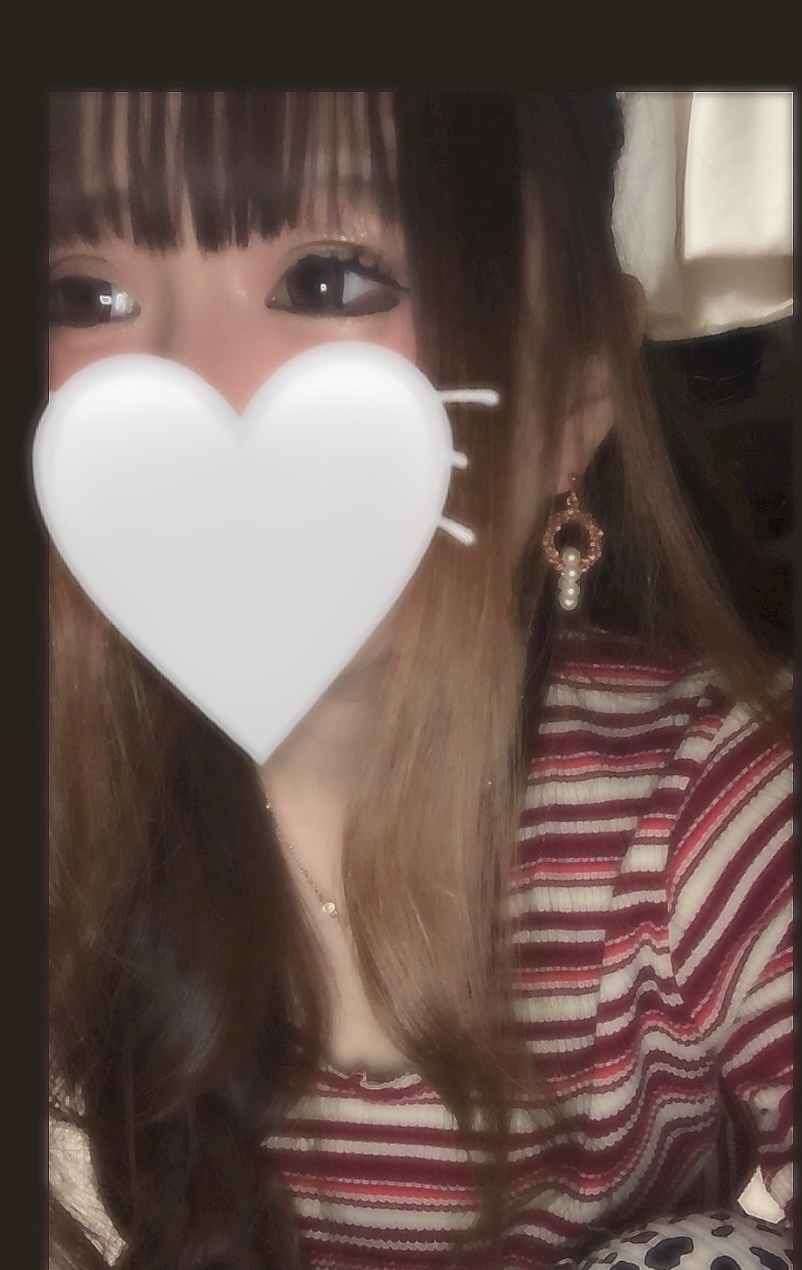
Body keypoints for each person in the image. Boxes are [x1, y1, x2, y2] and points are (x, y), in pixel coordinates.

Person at [47, 92, 792, 1270]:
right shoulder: (68, 806)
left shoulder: (711, 824)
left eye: (331, 280)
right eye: (84, 297)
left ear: (576, 387)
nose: (192, 392)